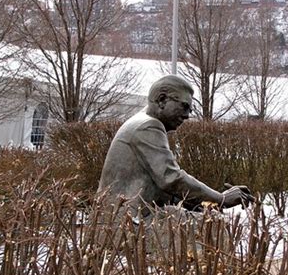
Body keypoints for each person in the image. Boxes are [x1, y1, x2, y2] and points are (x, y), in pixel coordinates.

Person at [98, 75, 252, 218]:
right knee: (212, 227)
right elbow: (171, 179)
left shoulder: (142, 122)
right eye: (184, 107)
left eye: (190, 110)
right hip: (125, 223)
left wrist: (197, 204)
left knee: (208, 221)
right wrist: (222, 198)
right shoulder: (148, 126)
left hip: (125, 217)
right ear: (162, 100)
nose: (187, 116)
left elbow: (162, 187)